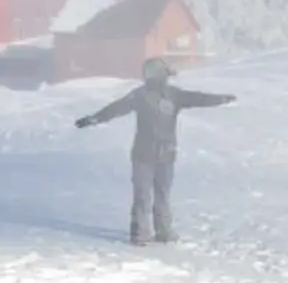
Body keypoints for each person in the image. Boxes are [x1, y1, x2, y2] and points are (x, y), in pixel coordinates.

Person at [74, 57, 235, 245]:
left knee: (160, 195)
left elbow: (198, 98)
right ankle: (141, 234)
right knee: (145, 196)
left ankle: (163, 232)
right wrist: (94, 118)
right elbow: (115, 109)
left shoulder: (173, 95)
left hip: (164, 155)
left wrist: (220, 99)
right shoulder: (140, 96)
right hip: (144, 155)